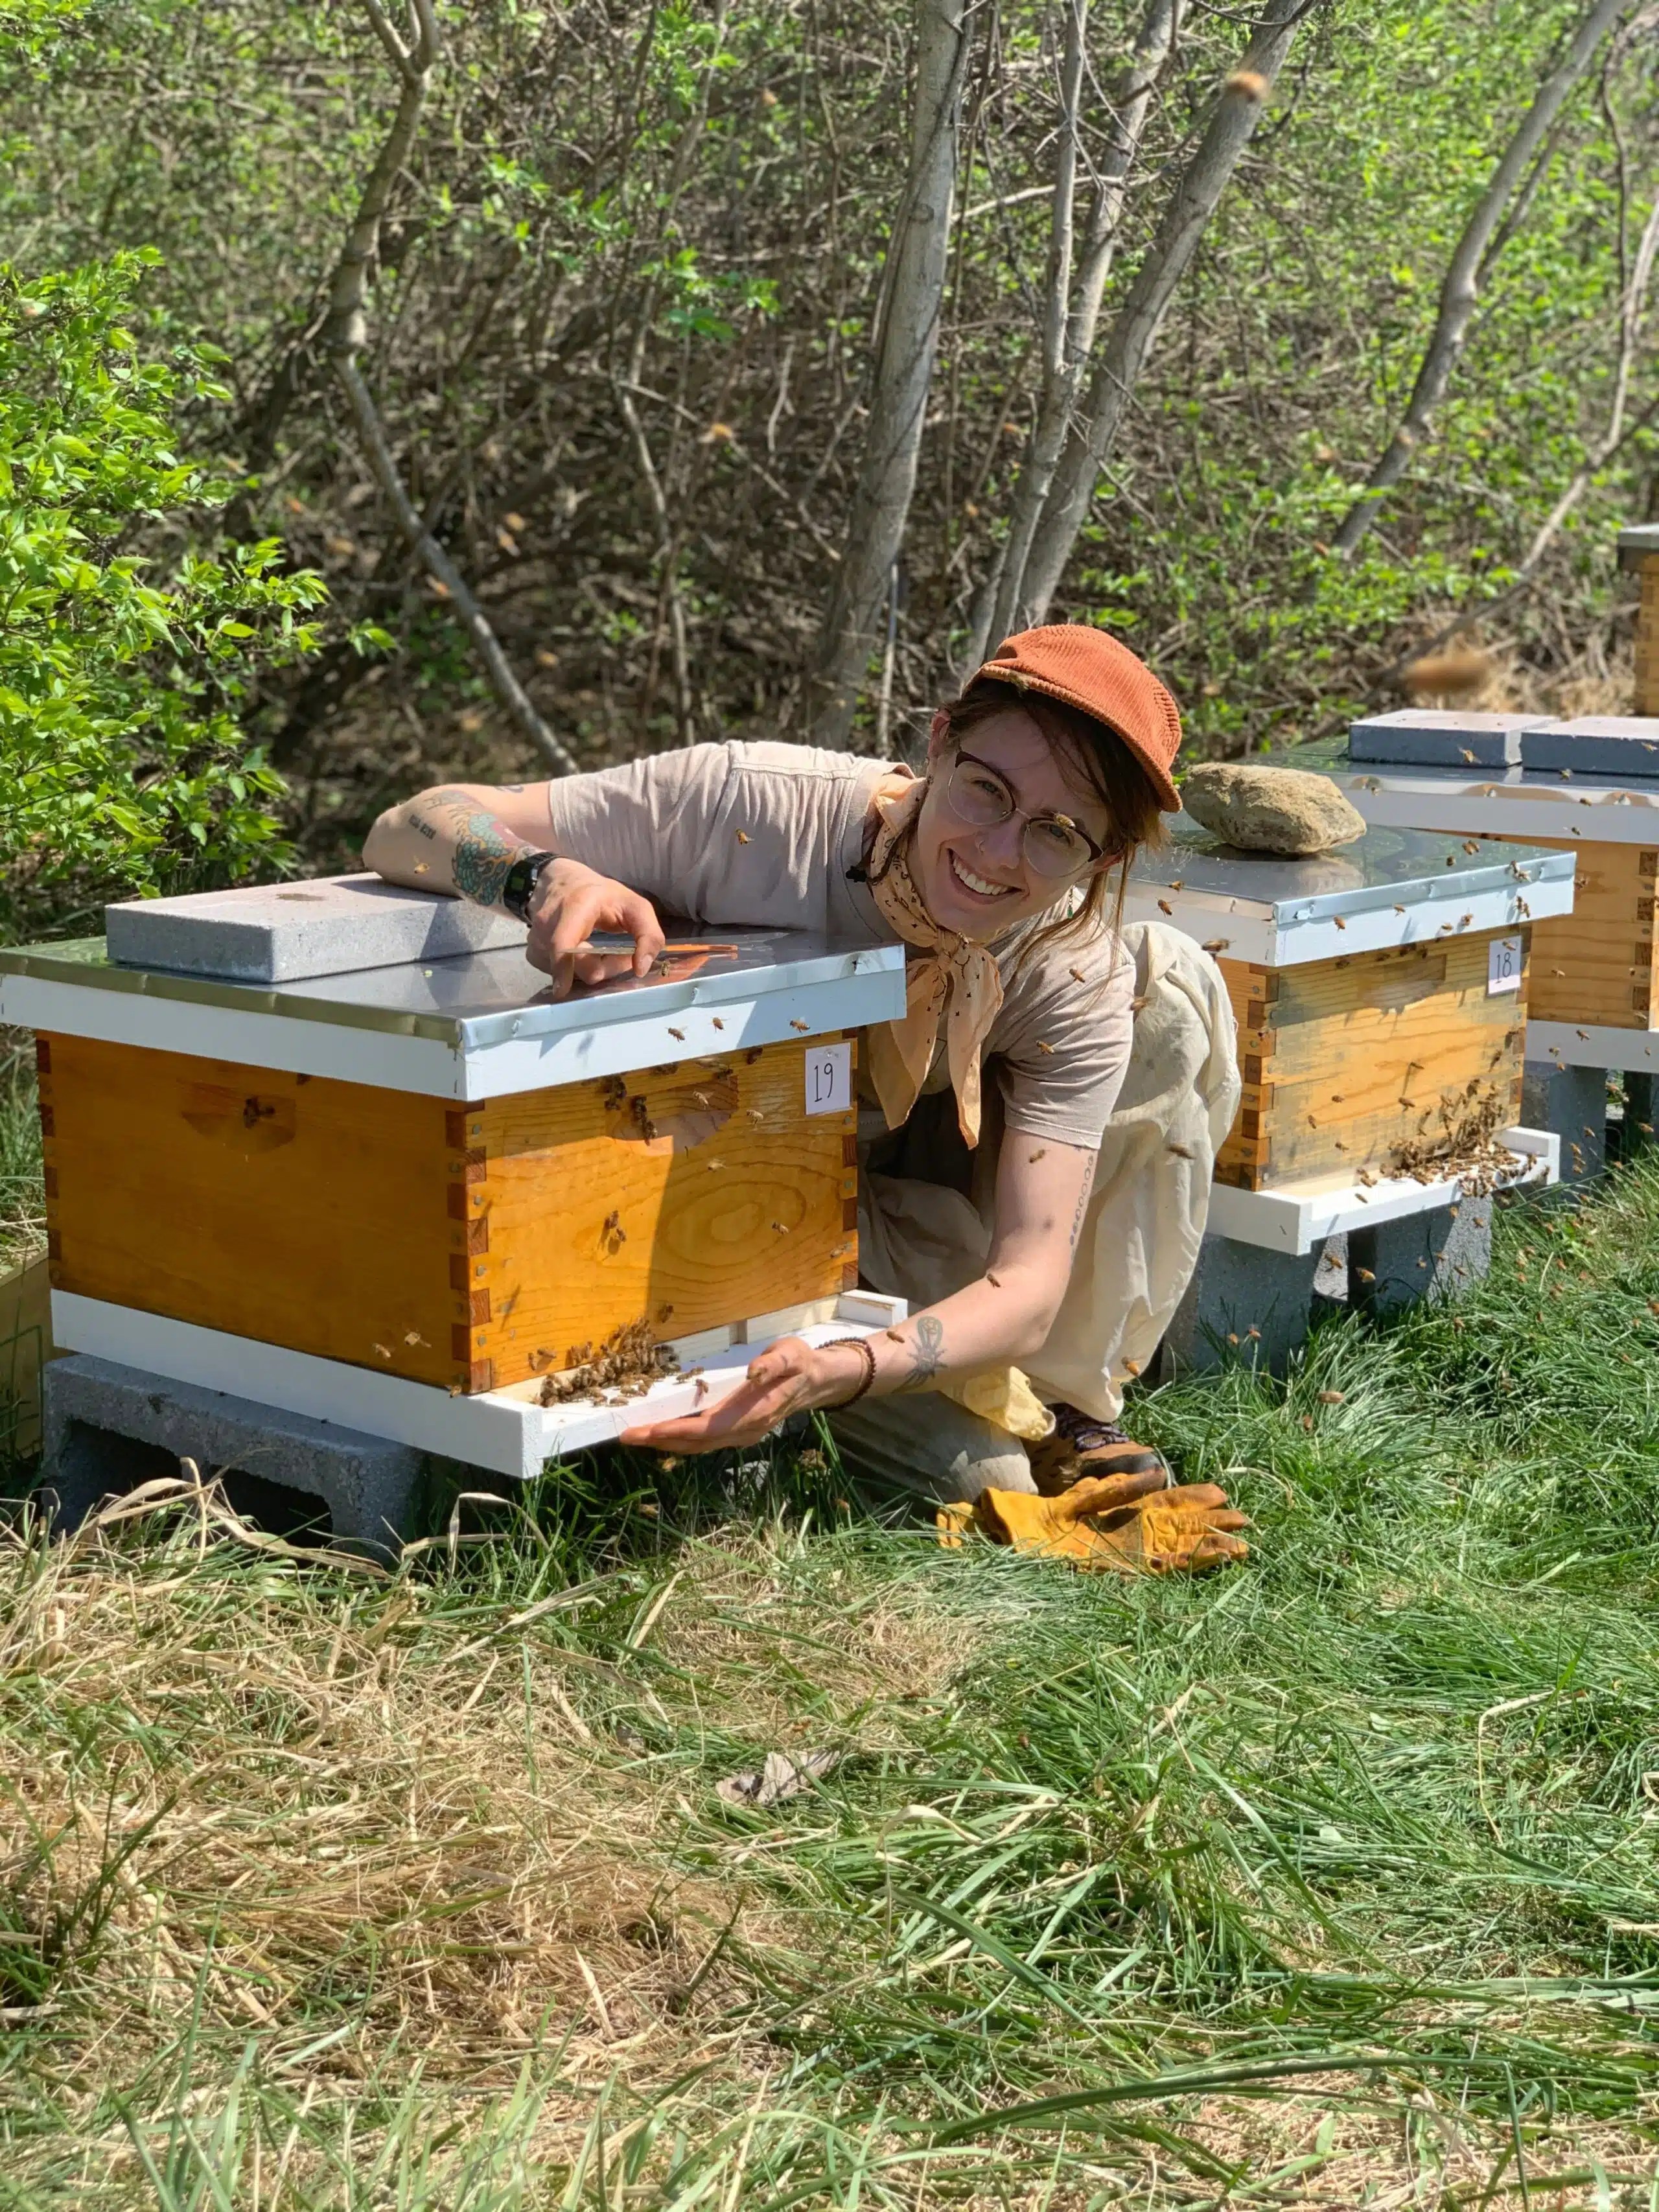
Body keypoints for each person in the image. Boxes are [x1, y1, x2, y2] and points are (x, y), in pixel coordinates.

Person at [364, 624, 1247, 1572]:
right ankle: (936, 1388)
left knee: (1173, 984)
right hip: (744, 1183)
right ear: (941, 741)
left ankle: (1067, 1406)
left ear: (1103, 861)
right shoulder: (746, 808)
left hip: (927, 1170)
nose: (999, 850)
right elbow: (413, 818)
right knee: (973, 1488)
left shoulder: (1072, 961)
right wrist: (543, 876)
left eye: (1057, 832)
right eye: (988, 788)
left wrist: (849, 1367)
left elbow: (1030, 1279)